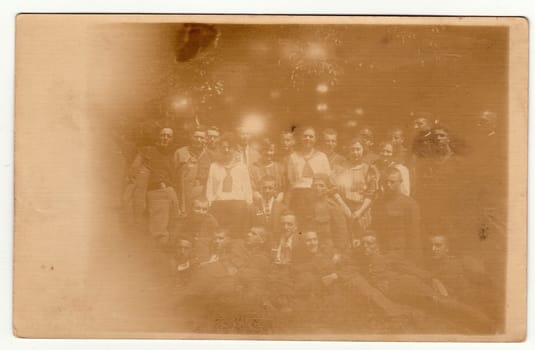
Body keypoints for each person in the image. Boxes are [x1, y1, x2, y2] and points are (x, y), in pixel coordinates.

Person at [131, 127, 179, 243]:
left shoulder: (173, 154)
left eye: (168, 136)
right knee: (159, 231)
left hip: (171, 192)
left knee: (174, 225)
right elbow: (134, 171)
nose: (165, 138)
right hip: (157, 192)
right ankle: (158, 256)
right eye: (163, 135)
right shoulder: (147, 151)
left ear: (172, 139)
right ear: (158, 136)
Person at [206, 133, 253, 237]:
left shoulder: (241, 167)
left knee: (235, 235)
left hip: (238, 205)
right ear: (219, 149)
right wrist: (210, 202)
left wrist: (249, 203)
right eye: (223, 148)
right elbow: (210, 186)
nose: (226, 150)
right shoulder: (214, 166)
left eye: (229, 147)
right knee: (220, 233)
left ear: (234, 149)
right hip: (219, 204)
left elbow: (247, 187)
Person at [333, 137, 379, 240]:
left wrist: (359, 212)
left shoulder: (369, 169)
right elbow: (334, 190)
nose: (355, 152)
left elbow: (371, 193)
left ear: (363, 150)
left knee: (362, 238)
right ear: (348, 151)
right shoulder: (339, 168)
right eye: (352, 149)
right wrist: (345, 209)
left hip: (362, 210)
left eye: (358, 149)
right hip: (343, 208)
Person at [372, 167, 422, 262]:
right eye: (385, 182)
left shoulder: (410, 204)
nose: (388, 185)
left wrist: (412, 260)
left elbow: (415, 236)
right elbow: (374, 227)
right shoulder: (378, 203)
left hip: (401, 254)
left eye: (392, 182)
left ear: (400, 181)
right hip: (381, 252)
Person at [286, 126, 331, 220]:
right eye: (305, 136)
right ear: (301, 138)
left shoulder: (322, 157)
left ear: (315, 139)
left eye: (311, 136)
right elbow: (291, 180)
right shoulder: (293, 157)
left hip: (316, 196)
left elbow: (327, 179)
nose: (308, 139)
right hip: (298, 196)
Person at [310, 174, 351, 256]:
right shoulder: (309, 206)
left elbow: (341, 232)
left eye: (321, 186)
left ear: (328, 189)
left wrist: (338, 252)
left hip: (330, 249)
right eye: (315, 185)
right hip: (313, 248)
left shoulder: (332, 207)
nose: (317, 188)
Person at [174, 126, 207, 214]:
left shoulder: (209, 154)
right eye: (196, 137)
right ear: (191, 137)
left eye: (202, 138)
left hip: (202, 195)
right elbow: (172, 175)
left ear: (205, 139)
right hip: (184, 193)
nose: (199, 140)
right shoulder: (180, 152)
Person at [250, 175, 287, 240]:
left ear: (275, 190)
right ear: (260, 189)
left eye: (270, 188)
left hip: (276, 242)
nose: (267, 191)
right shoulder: (252, 207)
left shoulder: (282, 208)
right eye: (264, 188)